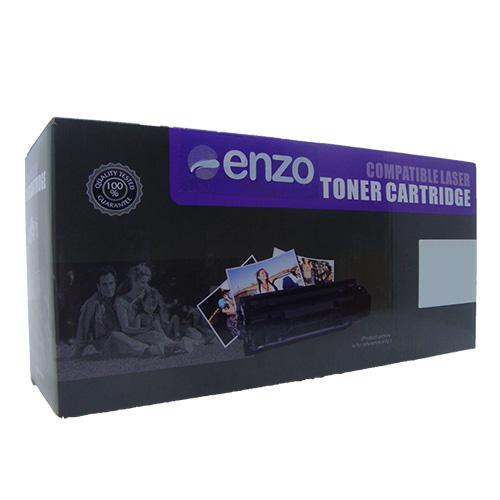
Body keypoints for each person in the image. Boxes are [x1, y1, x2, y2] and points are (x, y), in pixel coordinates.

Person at [69, 267, 122, 359]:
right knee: (116, 336)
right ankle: (145, 350)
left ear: (115, 283)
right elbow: (83, 327)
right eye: (104, 285)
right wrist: (78, 352)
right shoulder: (91, 304)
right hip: (107, 343)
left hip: (122, 338)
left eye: (111, 283)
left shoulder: (117, 298)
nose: (109, 288)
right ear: (98, 286)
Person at [234, 266, 299, 299]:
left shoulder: (270, 280)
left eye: (265, 272)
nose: (265, 273)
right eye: (262, 273)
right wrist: (235, 295)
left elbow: (281, 272)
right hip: (267, 304)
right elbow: (245, 289)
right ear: (259, 277)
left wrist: (290, 270)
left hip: (278, 298)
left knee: (286, 279)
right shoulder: (257, 286)